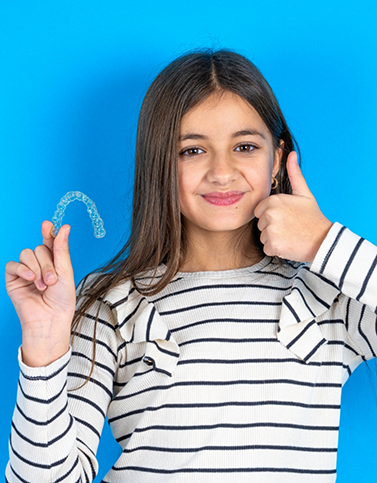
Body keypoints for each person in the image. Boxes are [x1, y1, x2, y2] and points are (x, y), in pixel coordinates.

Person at [5, 49, 377, 483]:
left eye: (244, 146)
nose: (222, 172)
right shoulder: (110, 302)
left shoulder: (327, 294)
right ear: (161, 162)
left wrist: (321, 241)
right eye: (193, 150)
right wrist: (44, 344)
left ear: (277, 159)